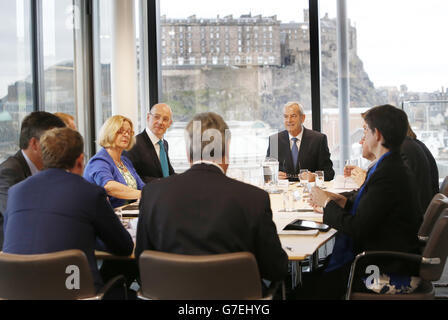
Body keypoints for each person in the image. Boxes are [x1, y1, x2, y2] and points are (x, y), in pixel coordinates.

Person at [135, 112, 288, 283]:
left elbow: (142, 262)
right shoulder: (254, 198)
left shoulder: (152, 194)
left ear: (188, 152)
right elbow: (276, 269)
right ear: (227, 148)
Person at [306, 104, 421, 299]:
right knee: (312, 278)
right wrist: (344, 202)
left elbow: (357, 228)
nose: (362, 138)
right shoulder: (392, 166)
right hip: (387, 255)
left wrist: (327, 204)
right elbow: (374, 210)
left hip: (382, 266)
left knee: (306, 288)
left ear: (377, 135)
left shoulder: (387, 174)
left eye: (365, 130)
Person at [2, 128, 133, 291]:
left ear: (43, 157)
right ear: (80, 160)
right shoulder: (89, 193)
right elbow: (124, 247)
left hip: (17, 291)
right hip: (74, 290)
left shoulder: (16, 192)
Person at [0, 111, 65, 249]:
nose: (62, 149)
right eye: (55, 142)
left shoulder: (47, 169)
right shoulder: (9, 171)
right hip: (15, 254)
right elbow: (16, 216)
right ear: (35, 144)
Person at [84, 115, 144, 208]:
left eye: (129, 132)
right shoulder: (99, 161)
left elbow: (142, 186)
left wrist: (154, 192)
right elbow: (109, 187)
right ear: (109, 132)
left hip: (128, 216)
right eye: (120, 131)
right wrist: (143, 194)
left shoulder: (125, 161)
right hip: (105, 218)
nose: (126, 135)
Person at [266, 101, 334, 181]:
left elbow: (329, 173)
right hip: (283, 191)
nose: (289, 120)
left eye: (293, 116)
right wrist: (274, 176)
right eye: (286, 116)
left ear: (303, 118)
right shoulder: (275, 140)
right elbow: (267, 173)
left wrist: (315, 177)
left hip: (309, 191)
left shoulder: (318, 139)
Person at [126, 103, 175, 183]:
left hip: (165, 193)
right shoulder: (134, 144)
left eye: (165, 119)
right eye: (156, 117)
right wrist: (163, 183)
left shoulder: (164, 144)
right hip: (146, 194)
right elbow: (132, 178)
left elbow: (169, 173)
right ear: (148, 117)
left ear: (169, 123)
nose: (160, 122)